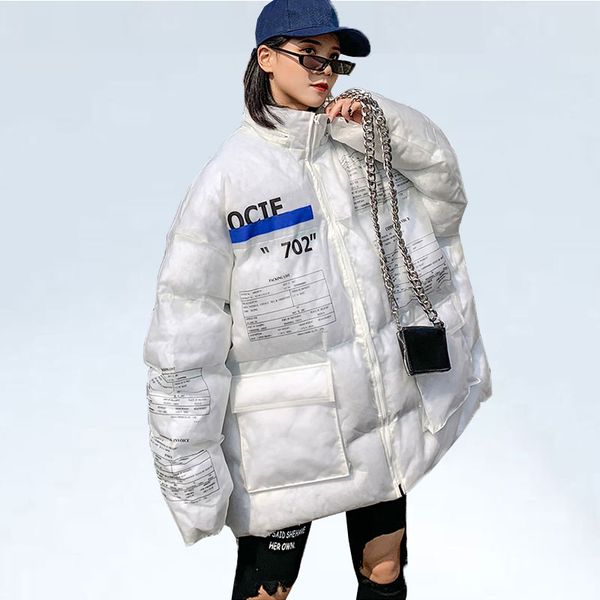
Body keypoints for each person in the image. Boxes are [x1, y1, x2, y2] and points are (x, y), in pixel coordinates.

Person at [142, 1, 492, 599]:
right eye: (309, 55)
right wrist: (191, 474)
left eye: (334, 59)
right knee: (268, 590)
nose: (325, 69)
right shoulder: (227, 182)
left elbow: (445, 196)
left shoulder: (361, 149)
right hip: (285, 444)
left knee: (384, 572)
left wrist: (380, 123)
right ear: (266, 58)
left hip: (379, 426)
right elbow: (184, 339)